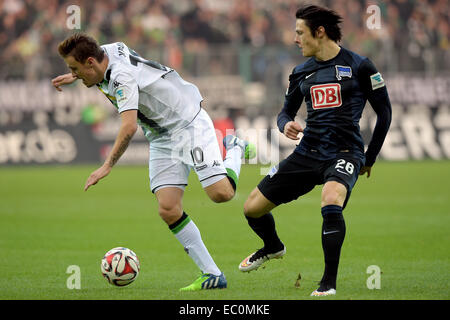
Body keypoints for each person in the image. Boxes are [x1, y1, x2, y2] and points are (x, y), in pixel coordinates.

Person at [52, 33, 255, 291]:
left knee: (221, 194)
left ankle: (233, 147)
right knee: (168, 208)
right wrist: (76, 75)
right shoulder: (105, 52)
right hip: (161, 135)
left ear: (90, 62)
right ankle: (212, 275)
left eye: (75, 69)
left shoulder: (121, 78)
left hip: (187, 123)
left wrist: (107, 165)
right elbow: (95, 56)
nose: (75, 74)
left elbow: (128, 128)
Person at [238, 5, 392, 296]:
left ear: (319, 32)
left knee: (330, 199)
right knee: (252, 209)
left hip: (345, 152)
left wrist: (370, 157)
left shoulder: (360, 66)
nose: (295, 39)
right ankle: (273, 247)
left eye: (300, 33)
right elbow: (284, 112)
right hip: (307, 152)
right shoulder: (300, 72)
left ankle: (328, 284)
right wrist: (285, 125)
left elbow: (385, 112)